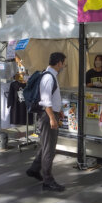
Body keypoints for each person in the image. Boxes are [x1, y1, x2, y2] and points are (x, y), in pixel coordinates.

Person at [25, 52, 68, 192]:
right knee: (49, 148)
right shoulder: (49, 78)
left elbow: (51, 98)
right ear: (59, 63)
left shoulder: (50, 75)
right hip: (47, 115)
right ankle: (48, 180)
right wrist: (52, 117)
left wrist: (58, 110)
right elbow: (45, 100)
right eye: (63, 63)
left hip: (50, 113)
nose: (63, 66)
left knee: (46, 145)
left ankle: (34, 169)